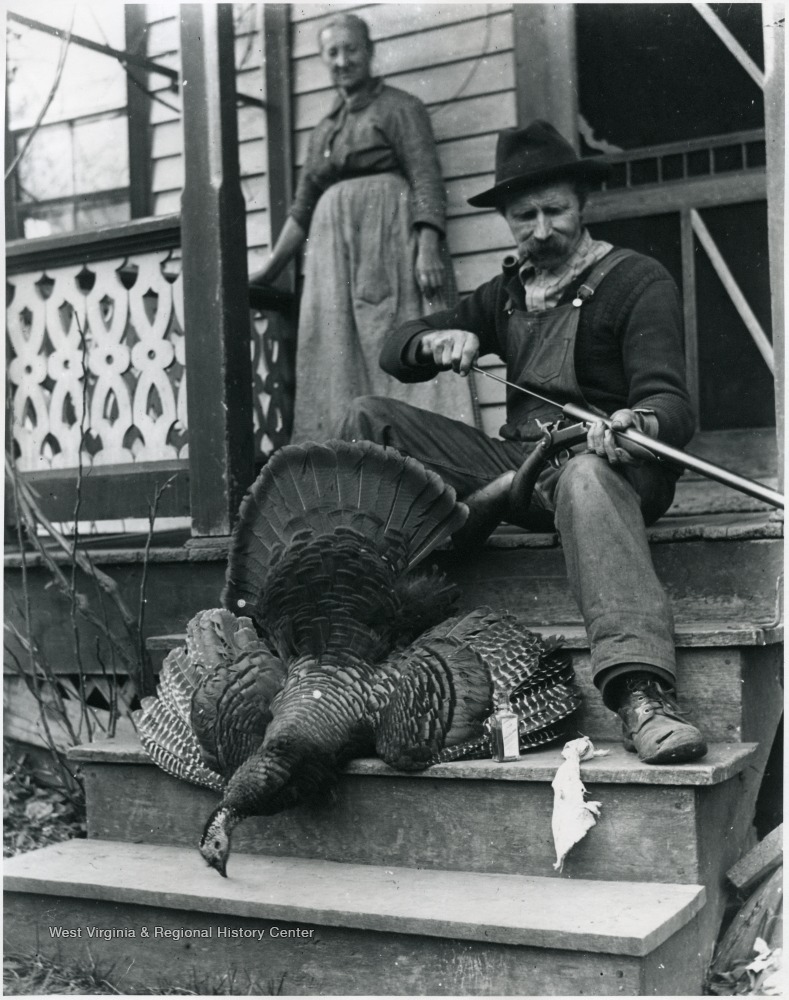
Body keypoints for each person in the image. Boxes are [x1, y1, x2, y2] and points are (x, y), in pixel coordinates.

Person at [338, 120, 707, 765]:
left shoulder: (637, 281)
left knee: (586, 476)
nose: (541, 230)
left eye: (555, 211)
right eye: (523, 216)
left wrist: (634, 424)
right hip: (526, 466)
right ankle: (348, 635)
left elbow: (672, 406)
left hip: (615, 470)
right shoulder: (508, 291)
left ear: (583, 204)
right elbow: (396, 348)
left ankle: (641, 693)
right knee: (369, 418)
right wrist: (432, 341)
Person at [250, 13, 475, 443]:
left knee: (392, 333)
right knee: (335, 349)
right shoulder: (324, 130)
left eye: (351, 49)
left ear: (369, 52)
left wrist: (427, 245)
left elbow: (425, 176)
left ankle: (419, 446)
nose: (342, 60)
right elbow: (302, 207)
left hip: (388, 238)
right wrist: (271, 267)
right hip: (333, 256)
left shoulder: (400, 107)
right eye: (331, 52)